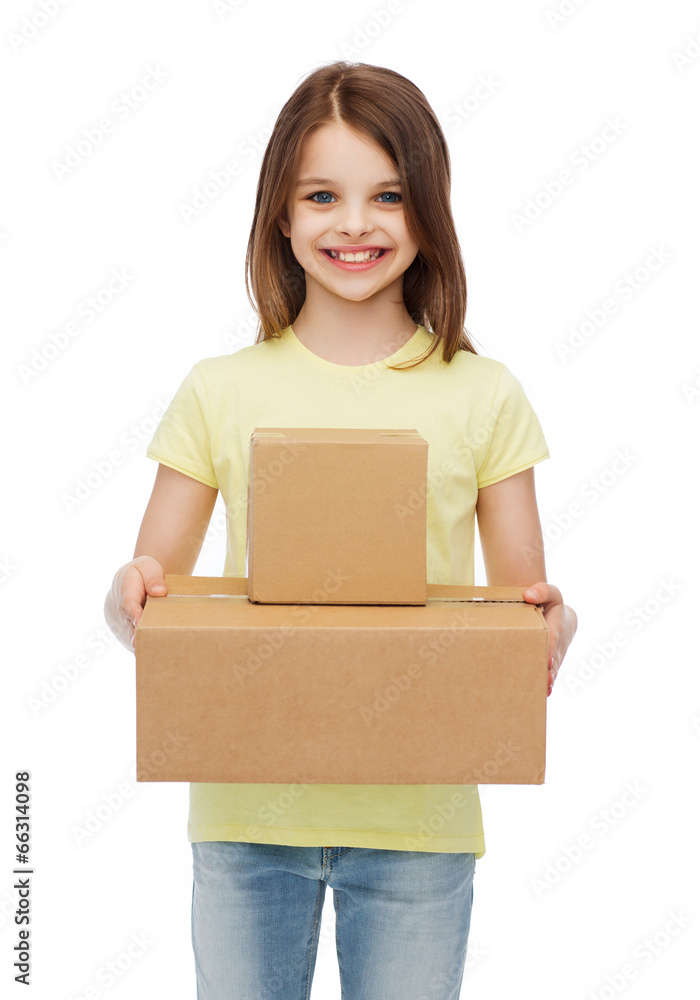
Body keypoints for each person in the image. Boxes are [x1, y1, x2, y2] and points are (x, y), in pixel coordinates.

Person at [104, 60, 578, 1000]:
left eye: (388, 196)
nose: (353, 224)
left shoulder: (484, 396)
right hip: (245, 813)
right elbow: (149, 601)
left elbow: (519, 616)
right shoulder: (220, 390)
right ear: (282, 216)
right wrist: (130, 600)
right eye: (322, 195)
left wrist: (554, 631)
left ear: (428, 213)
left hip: (417, 823)